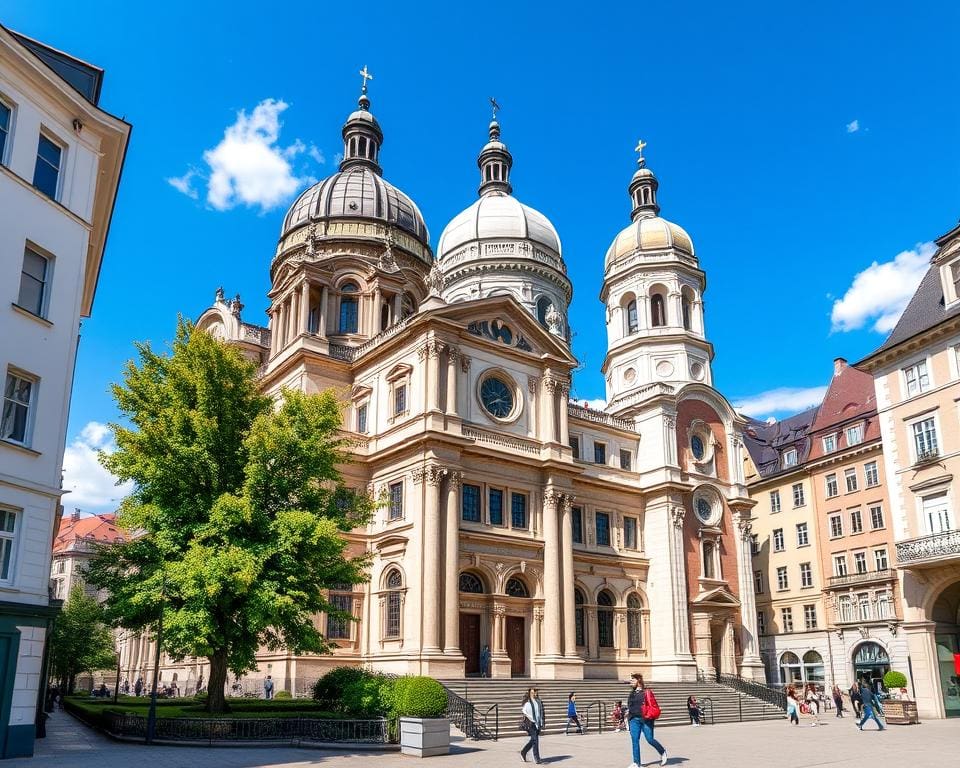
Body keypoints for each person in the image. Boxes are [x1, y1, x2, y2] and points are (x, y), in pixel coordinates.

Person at [626, 673, 667, 768]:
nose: (630, 681)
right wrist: (628, 713)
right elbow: (631, 705)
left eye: (633, 679)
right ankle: (637, 763)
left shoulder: (646, 692)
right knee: (635, 740)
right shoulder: (632, 693)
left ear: (639, 680)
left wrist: (649, 715)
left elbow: (653, 705)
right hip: (633, 719)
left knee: (650, 739)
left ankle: (662, 751)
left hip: (646, 719)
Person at [519, 687, 545, 764]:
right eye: (533, 692)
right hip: (530, 723)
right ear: (530, 693)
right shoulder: (527, 702)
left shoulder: (539, 702)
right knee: (535, 740)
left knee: (533, 740)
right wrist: (531, 718)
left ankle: (523, 752)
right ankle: (537, 758)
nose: (535, 694)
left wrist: (541, 722)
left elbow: (541, 713)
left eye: (536, 692)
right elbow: (524, 711)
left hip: (537, 723)